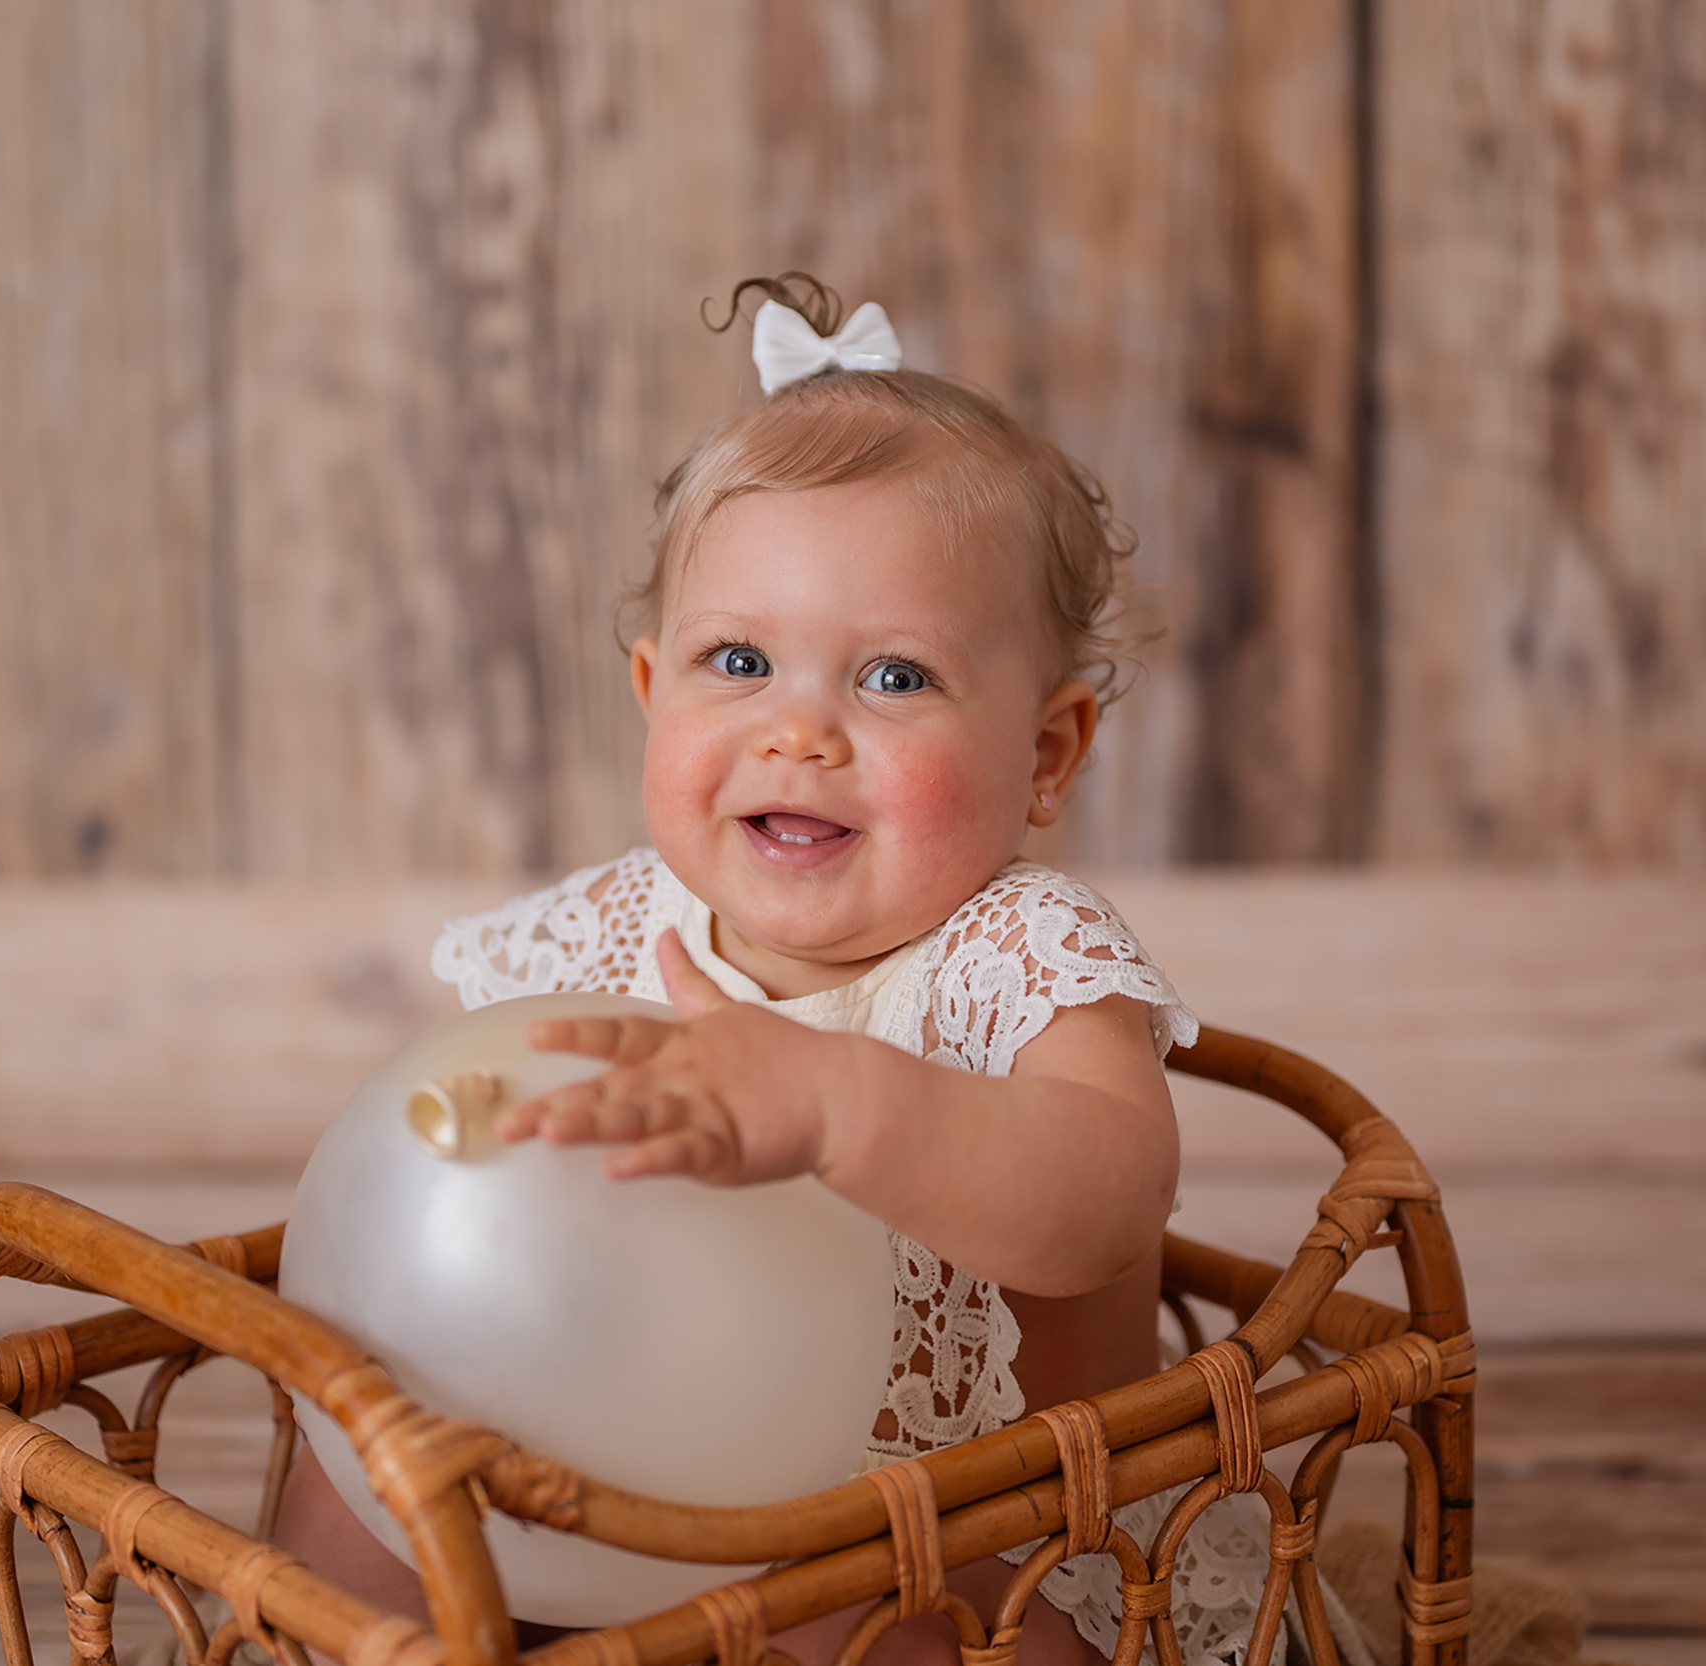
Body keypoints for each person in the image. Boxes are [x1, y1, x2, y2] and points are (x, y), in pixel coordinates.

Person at [275, 276, 1361, 1666]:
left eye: (893, 679)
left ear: (1046, 753)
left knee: (876, 1618)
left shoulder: (1021, 956)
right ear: (653, 690)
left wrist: (841, 1108)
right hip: (652, 1487)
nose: (800, 732)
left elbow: (1104, 1195)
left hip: (981, 1547)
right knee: (365, 1478)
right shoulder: (607, 933)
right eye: (740, 661)